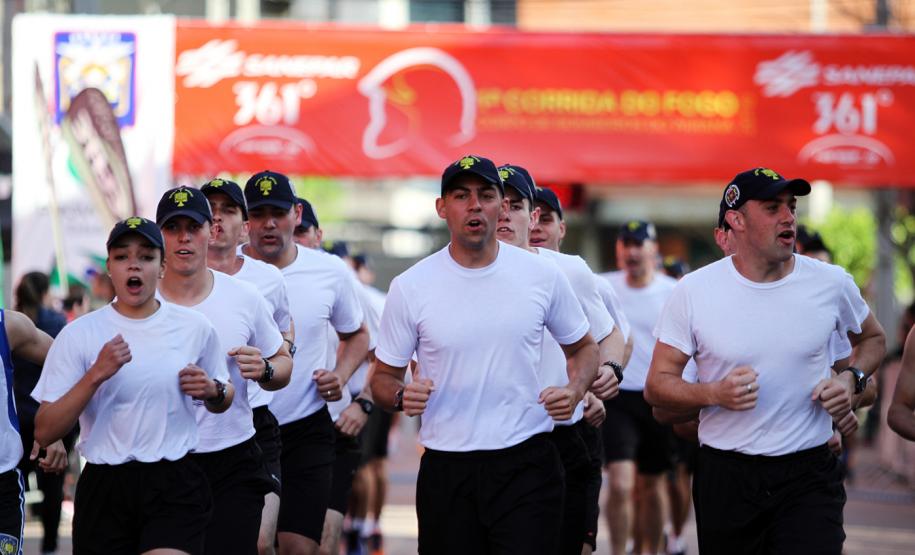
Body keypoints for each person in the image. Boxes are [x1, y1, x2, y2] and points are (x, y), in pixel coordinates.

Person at [645, 168, 886, 554]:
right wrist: (714, 393)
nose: (789, 217)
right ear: (736, 221)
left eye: (791, 207)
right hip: (728, 474)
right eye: (772, 208)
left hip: (809, 472)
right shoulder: (693, 291)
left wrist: (852, 379)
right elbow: (657, 385)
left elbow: (873, 338)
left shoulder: (831, 283)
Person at [371, 154, 599, 554]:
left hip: (526, 463)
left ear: (503, 207)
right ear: (443, 208)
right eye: (461, 195)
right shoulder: (411, 287)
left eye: (486, 194)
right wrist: (400, 395)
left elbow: (584, 347)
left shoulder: (543, 276)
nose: (475, 205)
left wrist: (577, 389)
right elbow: (382, 378)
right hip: (447, 467)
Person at [32, 216, 234, 555]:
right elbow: (45, 429)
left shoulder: (194, 327)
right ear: (109, 267)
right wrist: (96, 374)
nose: (133, 266)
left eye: (145, 256)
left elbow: (225, 394)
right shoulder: (80, 334)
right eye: (122, 257)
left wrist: (213, 390)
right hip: (106, 483)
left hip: (174, 481)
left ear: (163, 267)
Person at [156, 186, 293, 555]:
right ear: (159, 236)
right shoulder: (136, 304)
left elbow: (283, 362)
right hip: (163, 459)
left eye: (194, 226)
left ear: (209, 232)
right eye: (172, 228)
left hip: (232, 456)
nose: (184, 237)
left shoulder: (244, 296)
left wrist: (264, 369)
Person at [241, 171, 369, 555]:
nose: (268, 224)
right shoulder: (225, 274)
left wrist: (340, 376)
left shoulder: (328, 271)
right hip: (246, 428)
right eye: (258, 213)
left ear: (297, 214)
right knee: (258, 544)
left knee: (300, 547)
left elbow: (359, 334)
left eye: (277, 213)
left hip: (307, 427)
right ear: (245, 220)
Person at [530, 184, 630, 555]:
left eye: (542, 215)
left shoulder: (575, 272)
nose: (533, 223)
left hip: (573, 428)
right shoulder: (469, 272)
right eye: (503, 204)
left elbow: (616, 337)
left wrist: (601, 377)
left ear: (559, 226)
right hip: (508, 437)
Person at [201, 177, 295, 555]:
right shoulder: (168, 280)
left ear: (245, 225)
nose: (218, 218)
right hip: (187, 428)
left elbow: (285, 329)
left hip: (253, 421)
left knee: (258, 542)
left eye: (228, 210)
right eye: (210, 210)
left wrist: (271, 362)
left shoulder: (266, 280)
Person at [600, 219, 678, 555]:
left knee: (653, 484)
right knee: (620, 484)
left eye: (638, 244)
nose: (631, 251)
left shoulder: (672, 291)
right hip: (617, 397)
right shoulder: (603, 286)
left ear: (653, 249)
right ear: (618, 250)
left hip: (657, 397)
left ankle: (648, 550)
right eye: (625, 243)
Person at [11, 272, 71, 555]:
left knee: (16, 488)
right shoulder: (50, 322)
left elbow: (66, 362)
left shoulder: (13, 323)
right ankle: (48, 547)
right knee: (51, 487)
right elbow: (66, 367)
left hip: (24, 420)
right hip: (43, 415)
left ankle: (20, 541)